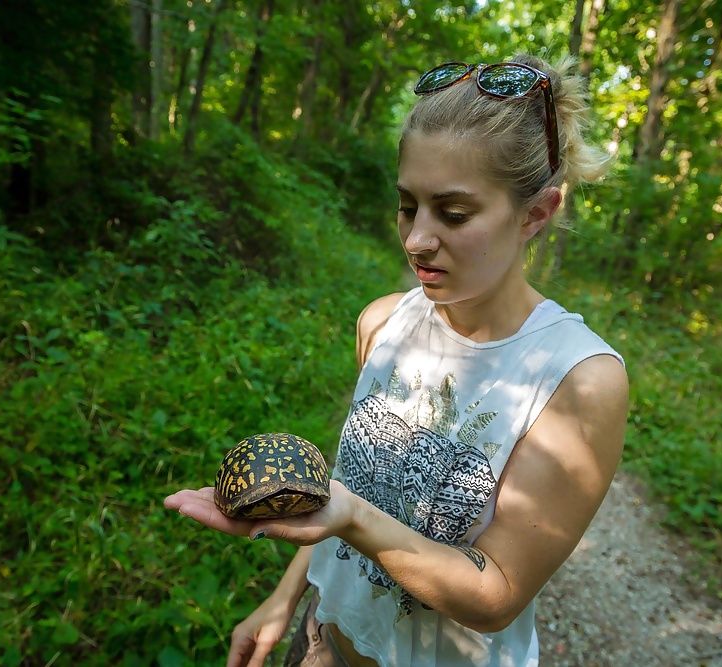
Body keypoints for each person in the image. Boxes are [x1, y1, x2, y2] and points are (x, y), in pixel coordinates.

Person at [165, 53, 629, 667]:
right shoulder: (384, 322)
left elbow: (495, 595)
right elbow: (350, 493)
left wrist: (353, 517)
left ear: (536, 214)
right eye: (408, 205)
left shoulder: (576, 378)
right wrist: (285, 599)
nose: (415, 239)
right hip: (323, 640)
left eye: (454, 212)